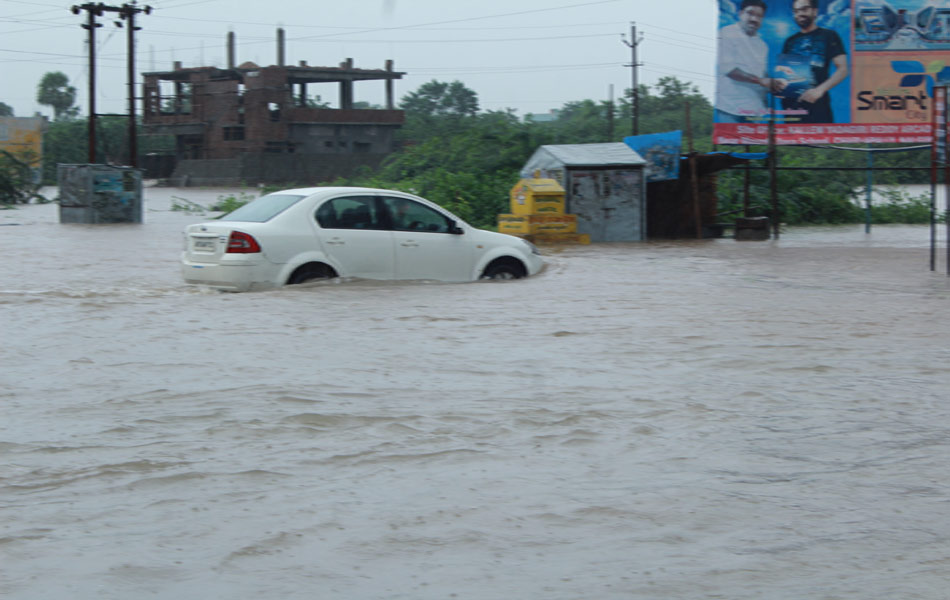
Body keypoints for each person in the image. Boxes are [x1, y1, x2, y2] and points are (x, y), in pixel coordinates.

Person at [774, 0, 848, 123]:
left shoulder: (829, 35)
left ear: (815, 11)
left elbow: (843, 69)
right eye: (796, 11)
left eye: (804, 9)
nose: (799, 14)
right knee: (793, 143)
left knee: (820, 142)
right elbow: (784, 75)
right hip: (792, 108)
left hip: (818, 106)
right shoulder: (789, 41)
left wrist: (819, 90)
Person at [716, 0, 773, 123]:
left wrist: (773, 85)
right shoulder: (727, 32)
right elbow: (730, 70)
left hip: (754, 111)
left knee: (758, 142)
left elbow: (763, 78)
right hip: (729, 109)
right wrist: (761, 81)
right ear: (740, 13)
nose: (754, 19)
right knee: (729, 142)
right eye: (750, 13)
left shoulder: (763, 46)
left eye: (759, 16)